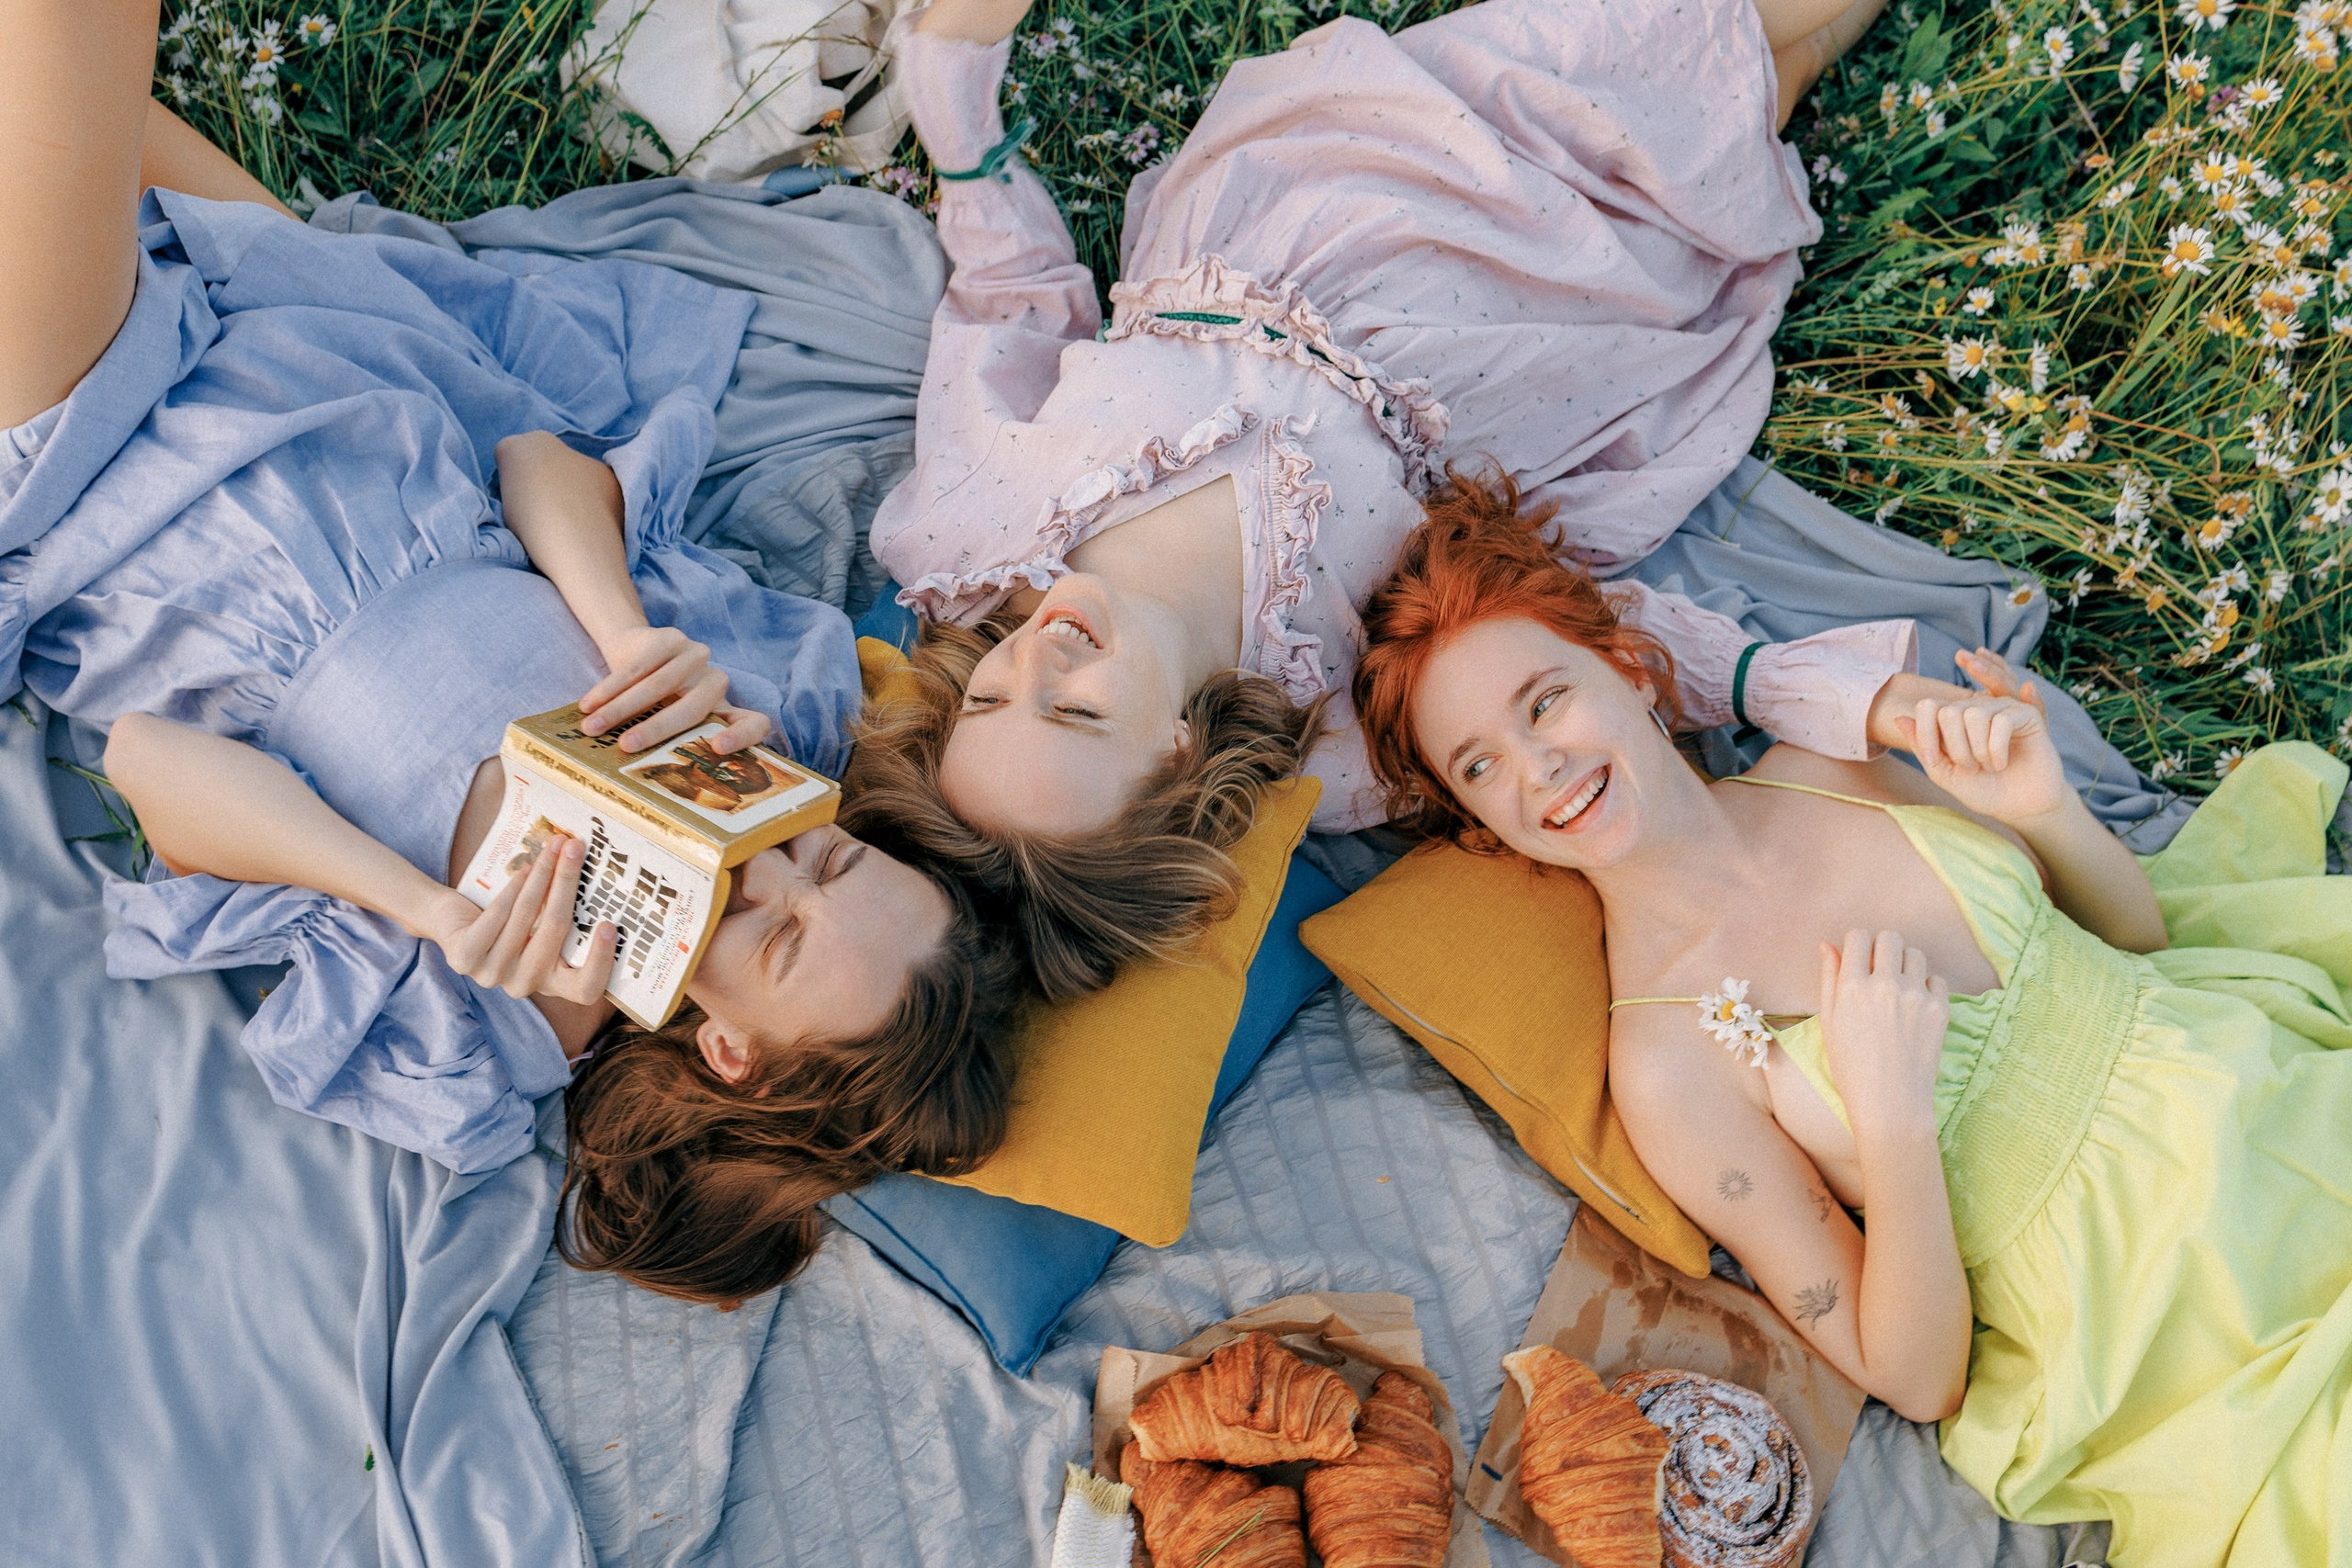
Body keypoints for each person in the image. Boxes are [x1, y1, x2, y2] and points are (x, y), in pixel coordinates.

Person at [0, 1, 1023, 1303]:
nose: (770, 867)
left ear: (728, 1051)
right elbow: (533, 453)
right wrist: (629, 629)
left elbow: (149, 761)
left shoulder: (491, 1029)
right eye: (825, 855)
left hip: (107, 485)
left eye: (775, 934)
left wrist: (425, 904)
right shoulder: (768, 724)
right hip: (320, 352)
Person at [1353, 475, 2352, 1565]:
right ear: (1477, 821)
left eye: (1544, 700)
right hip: (2170, 1314)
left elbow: (2137, 957)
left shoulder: (1835, 769)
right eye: (1479, 767)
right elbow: (1916, 1377)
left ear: (1630, 668)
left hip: (2273, 1097)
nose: (1536, 767)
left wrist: (2046, 814)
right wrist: (1891, 1125)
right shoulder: (1667, 1063)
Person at [855, 0, 1935, 998]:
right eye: (1078, 711)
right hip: (1514, 334)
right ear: (1172, 758)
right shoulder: (1328, 720)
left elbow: (1012, 301)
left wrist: (956, 97)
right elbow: (1552, 648)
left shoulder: (967, 539)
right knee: (1742, 117)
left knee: (1689, 31)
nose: (1039, 652)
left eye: (991, 697)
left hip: (1329, 196)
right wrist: (1797, 688)